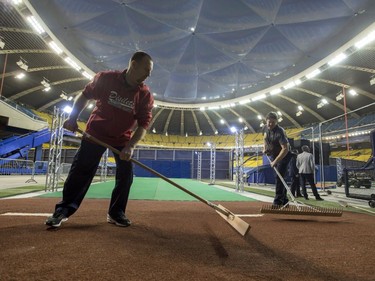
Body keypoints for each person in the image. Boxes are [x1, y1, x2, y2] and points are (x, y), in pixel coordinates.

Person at [45, 51, 154, 228]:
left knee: (126, 175)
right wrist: (73, 118)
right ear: (133, 64)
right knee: (81, 171)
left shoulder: (144, 95)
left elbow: (143, 125)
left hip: (122, 139)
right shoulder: (106, 78)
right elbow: (84, 96)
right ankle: (63, 210)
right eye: (146, 70)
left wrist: (131, 146)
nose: (148, 75)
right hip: (96, 133)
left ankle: (116, 212)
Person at [263, 112, 292, 206]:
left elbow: (285, 148)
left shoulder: (280, 132)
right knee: (279, 177)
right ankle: (284, 200)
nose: (270, 124)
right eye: (269, 122)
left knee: (279, 177)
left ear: (276, 122)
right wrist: (265, 148)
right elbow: (265, 138)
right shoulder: (265, 128)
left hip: (284, 155)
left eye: (273, 122)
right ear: (266, 121)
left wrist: (275, 161)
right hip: (274, 154)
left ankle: (278, 202)